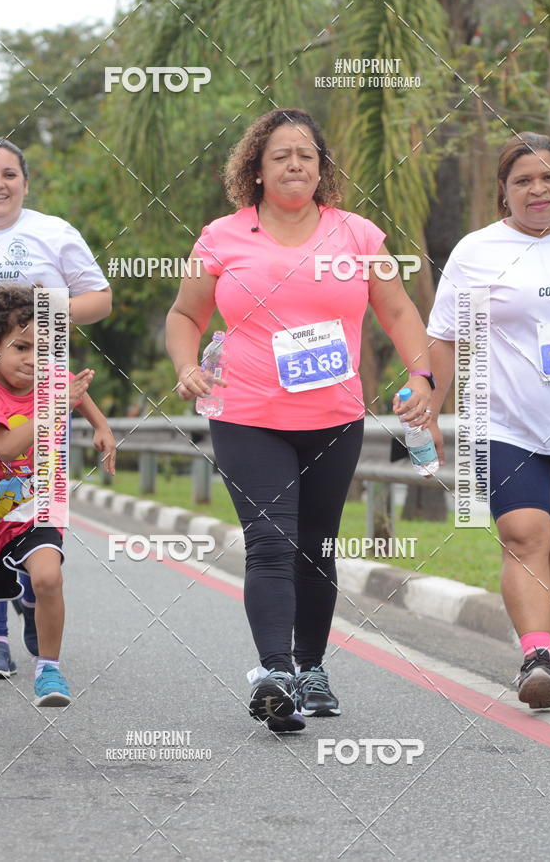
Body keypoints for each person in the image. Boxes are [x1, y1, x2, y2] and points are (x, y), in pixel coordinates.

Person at [165, 108, 434, 731]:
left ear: (322, 168)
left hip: (333, 416)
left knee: (315, 547)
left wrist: (421, 378)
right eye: (280, 154)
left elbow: (398, 313)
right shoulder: (221, 237)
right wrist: (185, 366)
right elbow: (184, 315)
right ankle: (276, 672)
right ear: (256, 169)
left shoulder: (359, 236)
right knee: (270, 542)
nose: (294, 164)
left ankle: (312, 668)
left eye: (306, 155)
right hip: (247, 412)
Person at [0, 137, 112, 678]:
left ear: (25, 181)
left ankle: (33, 591)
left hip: (39, 395)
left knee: (26, 504)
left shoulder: (53, 232)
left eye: (9, 174)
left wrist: (40, 316)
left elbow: (100, 298)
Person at [427, 131, 550, 708]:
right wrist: (429, 411)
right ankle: (535, 653)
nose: (538, 189)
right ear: (504, 193)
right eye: (523, 180)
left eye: (549, 177)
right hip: (507, 424)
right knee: (525, 534)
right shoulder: (476, 250)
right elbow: (444, 339)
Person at [0, 285, 116, 707]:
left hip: (40, 503)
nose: (33, 359)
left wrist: (101, 426)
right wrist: (52, 409)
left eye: (43, 348)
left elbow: (73, 390)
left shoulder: (46, 378)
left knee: (48, 577)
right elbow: (7, 448)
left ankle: (49, 670)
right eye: (21, 346)